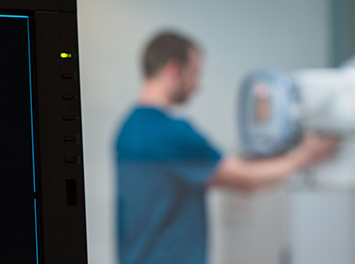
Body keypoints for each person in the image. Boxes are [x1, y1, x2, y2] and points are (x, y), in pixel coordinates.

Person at [115, 32, 340, 264]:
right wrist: (306, 156)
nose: (197, 86)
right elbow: (247, 180)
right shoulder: (169, 133)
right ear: (174, 70)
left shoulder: (129, 128)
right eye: (195, 74)